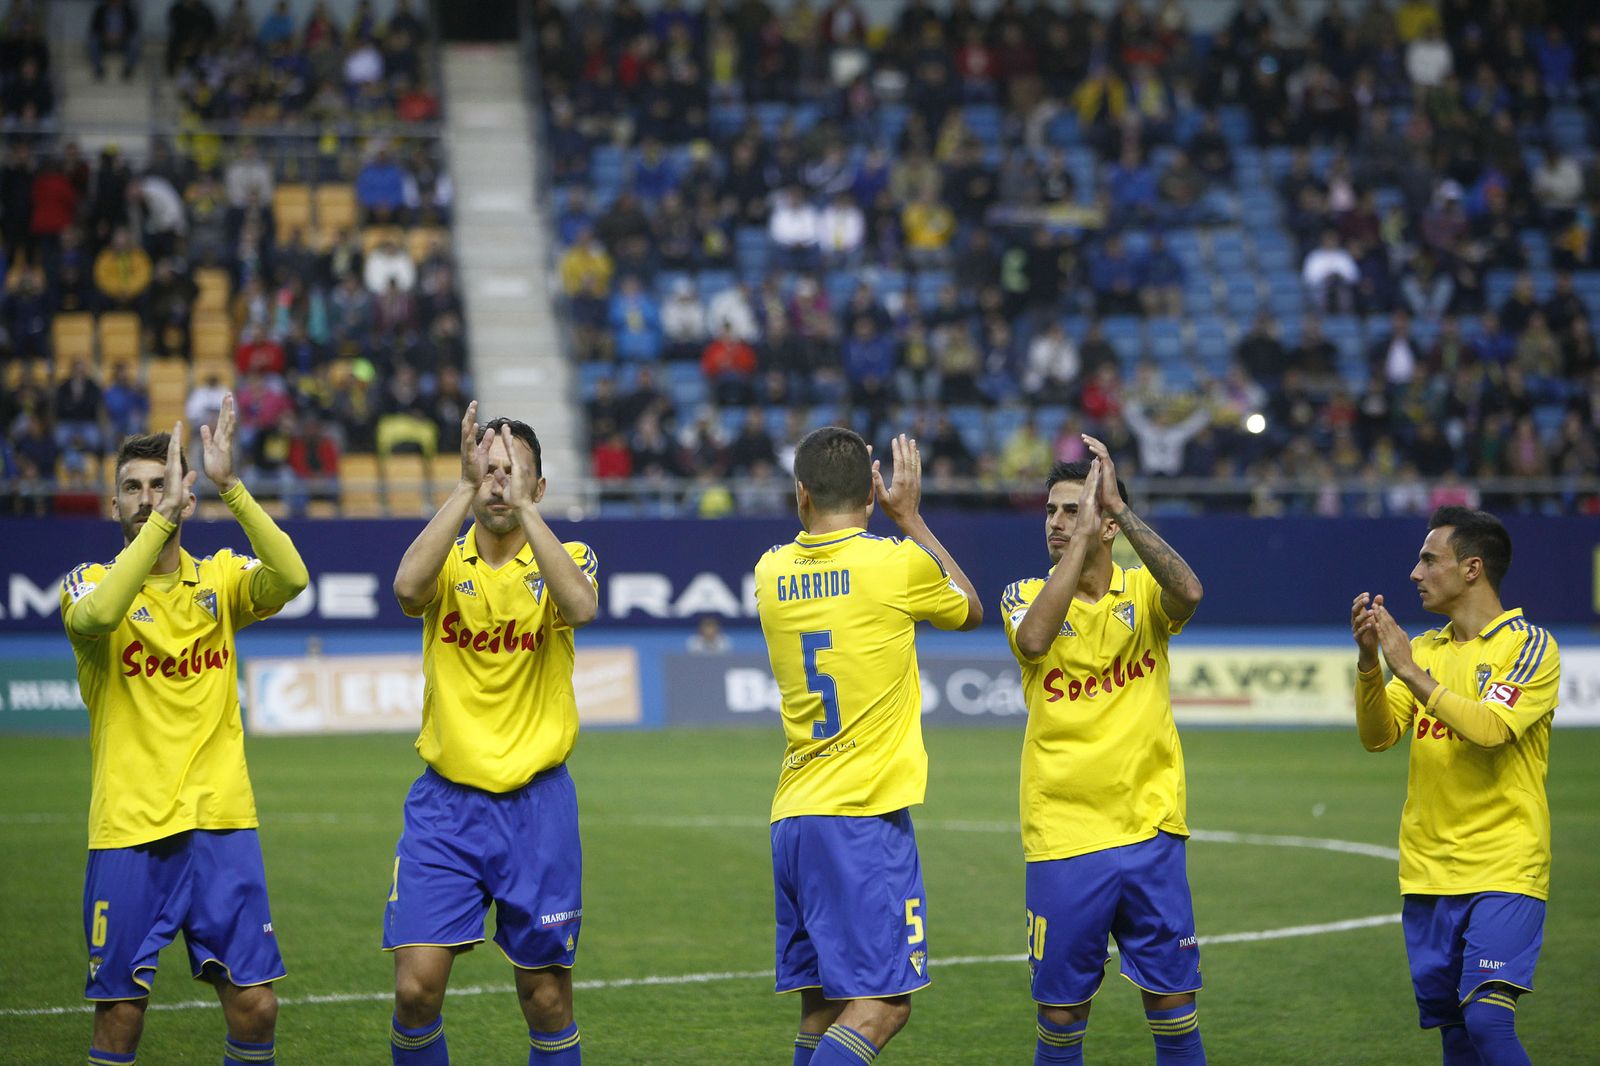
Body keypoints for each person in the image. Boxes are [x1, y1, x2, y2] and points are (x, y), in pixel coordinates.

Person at [60, 399, 309, 1066]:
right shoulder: (90, 585)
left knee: (256, 1007)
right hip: (129, 830)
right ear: (113, 507)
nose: (148, 499)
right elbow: (97, 618)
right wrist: (164, 520)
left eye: (159, 485)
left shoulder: (221, 579)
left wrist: (230, 484)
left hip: (220, 825)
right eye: (134, 490)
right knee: (120, 1016)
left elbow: (292, 575)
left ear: (186, 496)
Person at [755, 429, 982, 1065]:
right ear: (871, 493)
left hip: (795, 816)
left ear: (800, 494)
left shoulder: (769, 572)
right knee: (884, 1005)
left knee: (824, 1007)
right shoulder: (894, 563)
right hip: (862, 821)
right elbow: (968, 608)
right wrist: (911, 519)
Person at [385, 403, 599, 1065]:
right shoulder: (446, 564)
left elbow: (581, 607)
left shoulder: (570, 558)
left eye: (513, 473)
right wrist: (460, 489)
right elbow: (405, 589)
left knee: (546, 999)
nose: (498, 482)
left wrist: (528, 515)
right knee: (416, 990)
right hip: (446, 807)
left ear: (539, 488)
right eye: (489, 469)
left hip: (538, 809)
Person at [1001, 440, 1207, 1065]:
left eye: (1073, 512)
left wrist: (1116, 510)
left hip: (1150, 831)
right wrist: (1082, 540)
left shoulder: (1143, 595)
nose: (1058, 524)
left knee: (1174, 1006)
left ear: (1109, 523)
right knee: (1062, 1014)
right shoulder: (1022, 596)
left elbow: (1190, 592)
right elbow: (1036, 639)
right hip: (1064, 839)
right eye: (1052, 513)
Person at [1350, 507, 1559, 1066]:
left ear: (1472, 568)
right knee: (1459, 1037)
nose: (1415, 574)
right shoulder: (1424, 649)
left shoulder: (1529, 647)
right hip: (1428, 871)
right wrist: (1372, 663)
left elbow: (1491, 730)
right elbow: (1378, 736)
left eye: (1428, 560)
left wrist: (1410, 673)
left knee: (1488, 1019)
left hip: (1504, 866)